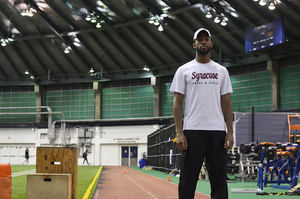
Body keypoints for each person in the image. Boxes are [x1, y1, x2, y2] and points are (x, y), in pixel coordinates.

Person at [170, 28, 234, 199]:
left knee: (219, 179)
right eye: (200, 40)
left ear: (211, 43)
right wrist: (179, 132)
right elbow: (177, 103)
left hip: (217, 132)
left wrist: (230, 132)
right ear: (194, 44)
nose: (203, 42)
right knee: (188, 179)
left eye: (206, 39)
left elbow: (227, 103)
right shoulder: (184, 70)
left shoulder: (221, 71)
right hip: (192, 131)